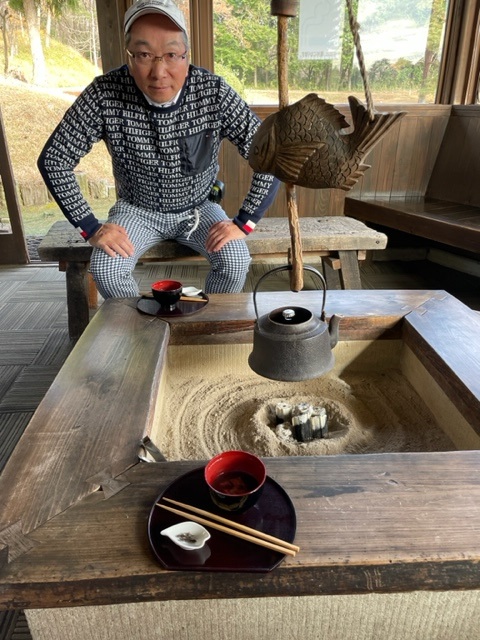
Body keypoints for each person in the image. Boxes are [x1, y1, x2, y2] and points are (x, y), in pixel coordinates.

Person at [38, 0, 279, 298]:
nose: (159, 71)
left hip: (199, 208)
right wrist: (90, 227)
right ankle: (139, 324)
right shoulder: (104, 93)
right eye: (144, 55)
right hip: (136, 210)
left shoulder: (213, 92)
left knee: (235, 261)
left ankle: (206, 321)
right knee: (106, 269)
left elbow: (270, 154)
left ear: (186, 55)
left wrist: (243, 222)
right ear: (129, 56)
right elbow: (55, 160)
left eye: (172, 55)